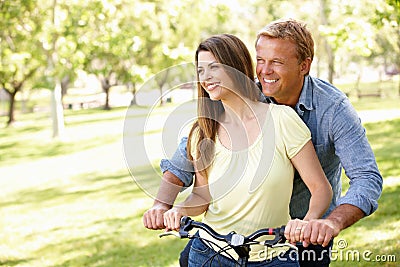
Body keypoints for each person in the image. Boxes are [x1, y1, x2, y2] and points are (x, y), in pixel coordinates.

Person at [143, 19, 383, 267]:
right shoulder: (229, 103)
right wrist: (164, 206)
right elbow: (185, 165)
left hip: (304, 232)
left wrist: (327, 222)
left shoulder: (331, 110)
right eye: (260, 60)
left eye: (277, 62)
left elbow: (366, 177)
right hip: (223, 242)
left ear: (304, 66)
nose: (265, 71)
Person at [160, 33, 332, 266]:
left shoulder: (282, 120)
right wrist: (179, 209)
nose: (206, 77)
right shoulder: (203, 131)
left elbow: (321, 188)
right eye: (200, 70)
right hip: (209, 254)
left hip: (274, 257)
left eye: (214, 67)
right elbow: (202, 195)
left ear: (235, 67)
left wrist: (307, 222)